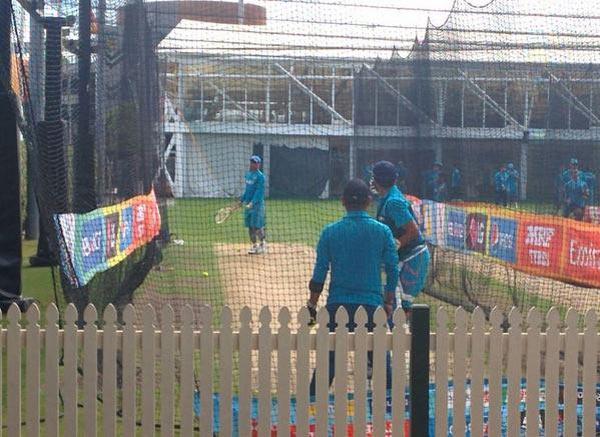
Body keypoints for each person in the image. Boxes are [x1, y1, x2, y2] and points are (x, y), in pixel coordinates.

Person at [306, 179, 399, 395]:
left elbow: (319, 274)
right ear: (369, 201)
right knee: (381, 363)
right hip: (371, 306)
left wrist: (312, 303)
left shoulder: (330, 232)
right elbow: (393, 270)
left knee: (329, 362)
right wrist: (388, 301)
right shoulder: (382, 231)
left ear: (342, 201)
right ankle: (391, 411)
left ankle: (310, 409)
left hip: (338, 305)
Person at [371, 161, 430, 313]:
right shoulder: (388, 198)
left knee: (401, 308)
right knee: (396, 305)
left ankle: (407, 335)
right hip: (405, 257)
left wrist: (393, 246)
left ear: (377, 180)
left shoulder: (393, 203)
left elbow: (413, 232)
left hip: (412, 258)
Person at [240, 155, 267, 254]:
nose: (254, 164)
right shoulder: (248, 175)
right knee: (250, 226)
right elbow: (248, 191)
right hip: (248, 204)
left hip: (257, 205)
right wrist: (241, 201)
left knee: (257, 226)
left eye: (256, 163)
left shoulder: (261, 177)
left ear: (259, 164)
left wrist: (252, 203)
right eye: (252, 162)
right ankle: (254, 246)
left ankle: (263, 244)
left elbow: (259, 192)